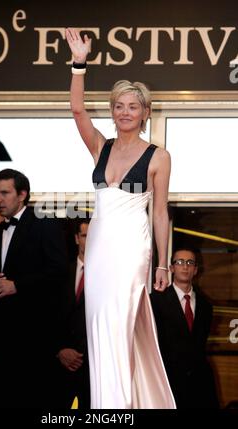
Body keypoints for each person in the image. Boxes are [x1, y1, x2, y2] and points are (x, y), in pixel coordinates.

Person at [65, 28, 175, 409]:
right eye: (118, 106)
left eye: (133, 106)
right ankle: (111, 406)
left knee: (117, 324)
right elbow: (78, 110)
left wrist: (164, 264)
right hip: (98, 250)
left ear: (145, 112)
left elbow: (160, 213)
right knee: (99, 329)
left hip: (132, 250)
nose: (124, 112)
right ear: (112, 111)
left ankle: (113, 410)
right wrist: (79, 64)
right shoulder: (101, 146)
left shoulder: (158, 156)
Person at [0, 168, 68, 407]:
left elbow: (58, 270)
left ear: (22, 195)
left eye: (4, 193)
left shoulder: (44, 224)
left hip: (35, 344)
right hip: (0, 344)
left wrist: (17, 285)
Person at [150, 248, 219, 409]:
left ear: (195, 270)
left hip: (200, 384)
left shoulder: (206, 305)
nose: (185, 267)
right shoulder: (156, 301)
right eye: (179, 262)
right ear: (172, 268)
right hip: (168, 381)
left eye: (190, 263)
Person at [56, 219, 90, 409]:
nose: (90, 240)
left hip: (92, 366)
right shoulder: (61, 273)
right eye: (85, 236)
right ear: (77, 238)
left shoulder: (108, 276)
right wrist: (60, 349)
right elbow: (49, 315)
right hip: (60, 362)